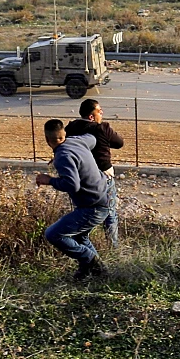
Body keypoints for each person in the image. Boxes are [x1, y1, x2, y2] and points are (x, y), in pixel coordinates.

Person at [37, 119, 110, 280]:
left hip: (92, 206)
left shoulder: (63, 155)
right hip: (103, 198)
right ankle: (99, 272)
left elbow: (72, 184)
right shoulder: (76, 141)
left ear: (47, 140)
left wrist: (49, 180)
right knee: (79, 236)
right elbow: (93, 139)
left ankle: (90, 261)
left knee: (53, 234)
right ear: (64, 134)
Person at [65, 99, 124, 248]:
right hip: (104, 176)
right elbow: (119, 143)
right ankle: (113, 247)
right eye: (99, 111)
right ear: (91, 117)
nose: (102, 113)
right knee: (110, 212)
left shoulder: (71, 127)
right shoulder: (102, 128)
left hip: (81, 176)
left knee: (83, 209)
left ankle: (80, 240)